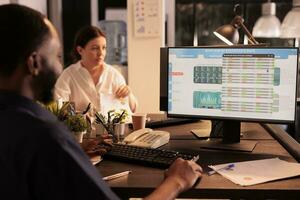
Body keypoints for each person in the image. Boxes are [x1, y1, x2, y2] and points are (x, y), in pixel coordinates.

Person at [0, 4, 202, 200]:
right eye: (56, 55)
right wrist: (177, 181)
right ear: (34, 63)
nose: (60, 63)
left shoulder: (17, 124)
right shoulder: (46, 136)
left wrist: (75, 150)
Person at [54, 25, 137, 116]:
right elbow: (58, 107)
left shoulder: (113, 75)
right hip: (80, 129)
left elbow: (133, 110)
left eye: (104, 48)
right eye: (95, 48)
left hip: (110, 129)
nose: (101, 53)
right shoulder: (68, 75)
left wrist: (128, 95)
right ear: (80, 50)